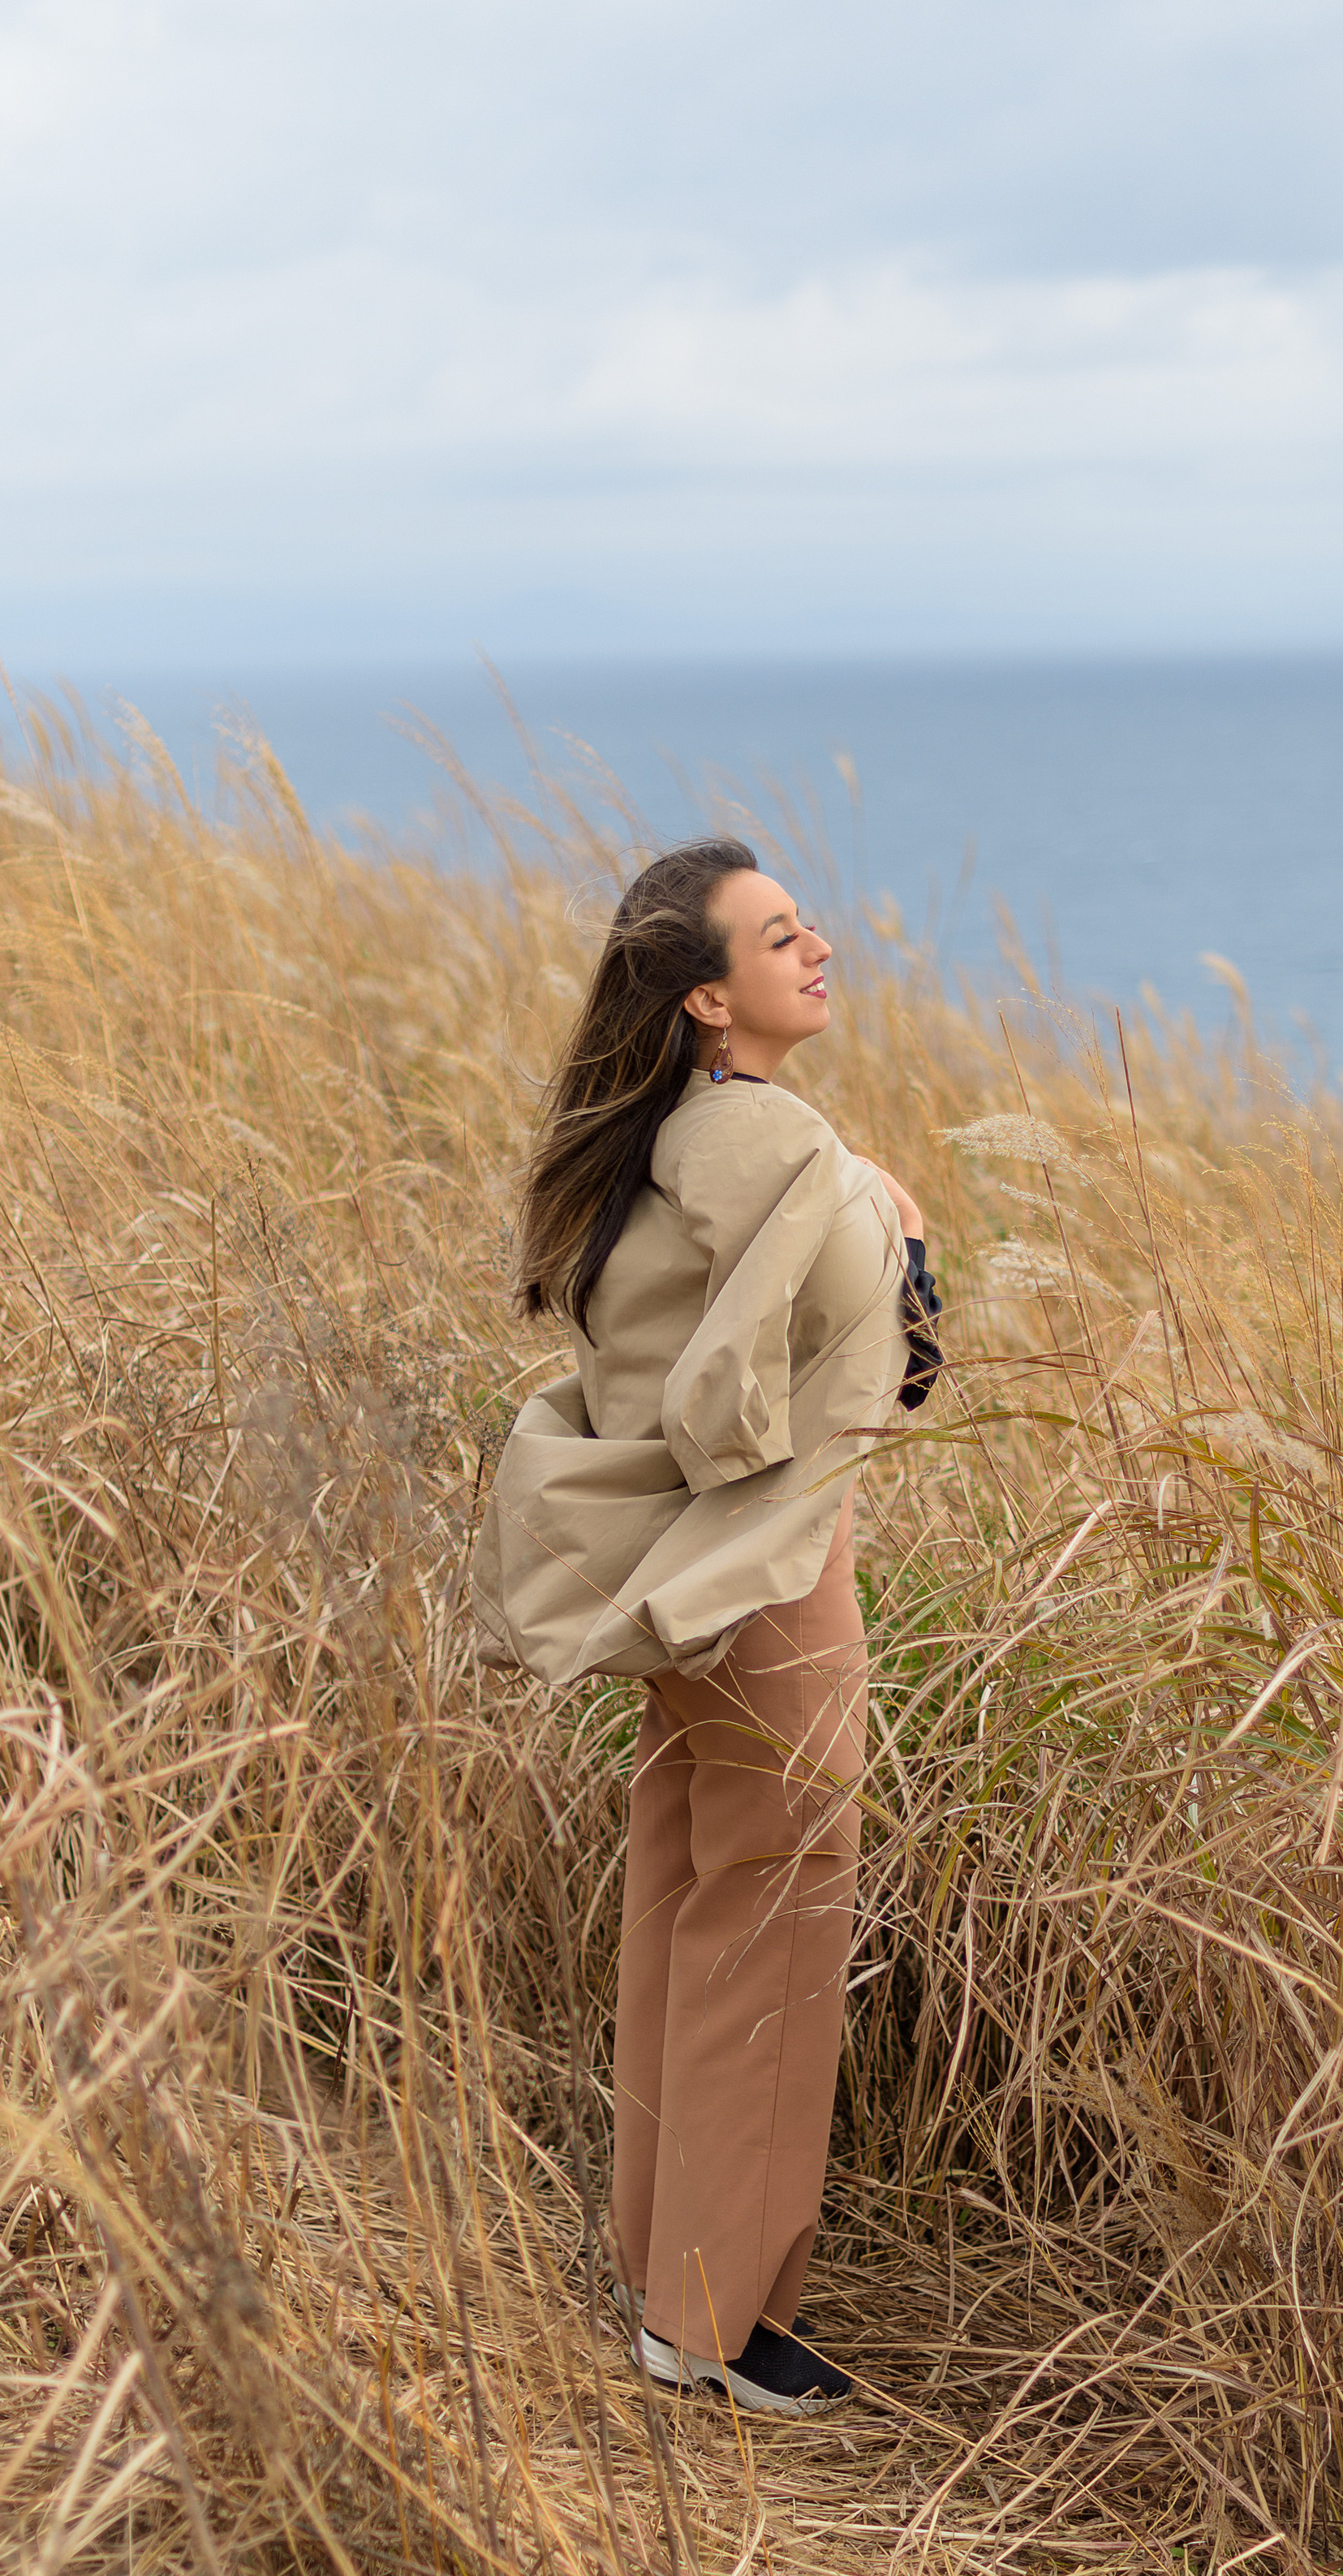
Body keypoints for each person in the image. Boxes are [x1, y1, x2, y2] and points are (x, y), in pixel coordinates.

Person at [473, 839, 943, 2418]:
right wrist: (903, 1242)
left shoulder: (662, 1138)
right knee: (777, 1898)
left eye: (807, 921)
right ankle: (716, 2323)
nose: (816, 947)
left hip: (681, 1564)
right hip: (765, 1565)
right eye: (777, 936)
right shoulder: (782, 1148)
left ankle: (662, 2270)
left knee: (690, 1879)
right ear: (706, 997)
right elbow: (867, 1372)